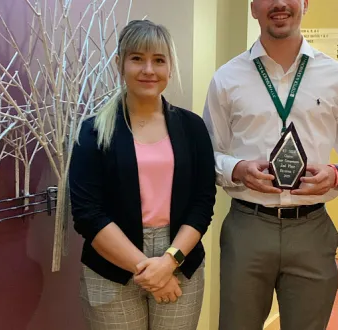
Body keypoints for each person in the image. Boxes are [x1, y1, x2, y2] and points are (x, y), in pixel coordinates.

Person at [203, 0, 338, 329]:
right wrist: (237, 170)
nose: (279, 3)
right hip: (247, 228)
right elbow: (207, 155)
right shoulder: (227, 79)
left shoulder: (337, 78)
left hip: (312, 229)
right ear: (253, 7)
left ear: (305, 3)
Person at [69, 19, 216, 330]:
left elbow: (203, 203)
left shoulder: (192, 128)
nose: (149, 69)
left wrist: (169, 262)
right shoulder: (94, 132)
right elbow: (87, 215)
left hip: (179, 258)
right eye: (137, 58)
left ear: (170, 68)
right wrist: (150, 272)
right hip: (111, 264)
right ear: (120, 64)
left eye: (159, 60)